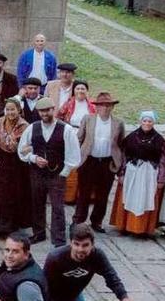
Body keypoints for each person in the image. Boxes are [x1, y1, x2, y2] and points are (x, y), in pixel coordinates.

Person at [17, 97, 81, 246]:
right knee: (37, 204)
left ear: (53, 110)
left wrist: (63, 173)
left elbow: (74, 156)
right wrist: (33, 158)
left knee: (58, 207)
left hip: (57, 174)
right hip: (37, 174)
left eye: (47, 110)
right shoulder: (32, 128)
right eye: (41, 111)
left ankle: (58, 238)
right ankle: (38, 233)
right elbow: (22, 150)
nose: (44, 113)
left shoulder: (66, 129)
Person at [110, 110, 165, 237]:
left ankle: (142, 229)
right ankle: (124, 226)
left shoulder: (159, 140)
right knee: (129, 197)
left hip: (149, 174)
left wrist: (161, 179)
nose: (147, 123)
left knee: (145, 198)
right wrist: (122, 173)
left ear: (153, 123)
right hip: (132, 173)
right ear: (140, 121)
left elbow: (163, 161)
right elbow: (124, 156)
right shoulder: (131, 137)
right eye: (144, 120)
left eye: (150, 121)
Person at [74, 92, 125, 233]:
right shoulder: (88, 119)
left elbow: (121, 143)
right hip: (89, 161)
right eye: (102, 105)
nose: (105, 108)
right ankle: (78, 220)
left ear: (112, 107)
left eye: (108, 105)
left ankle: (96, 221)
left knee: (103, 195)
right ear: (96, 107)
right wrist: (76, 157)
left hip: (107, 163)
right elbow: (79, 138)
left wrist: (119, 163)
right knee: (84, 193)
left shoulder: (118, 123)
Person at [43, 224, 129, 301]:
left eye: (85, 245)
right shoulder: (55, 258)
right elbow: (44, 288)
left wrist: (124, 297)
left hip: (75, 294)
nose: (80, 249)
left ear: (92, 244)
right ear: (71, 243)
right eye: (76, 244)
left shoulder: (97, 255)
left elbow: (111, 277)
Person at [0, 98, 32, 236]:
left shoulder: (24, 126)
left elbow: (25, 146)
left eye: (13, 109)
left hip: (16, 163)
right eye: (8, 109)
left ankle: (10, 226)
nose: (10, 112)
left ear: (19, 110)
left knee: (12, 193)